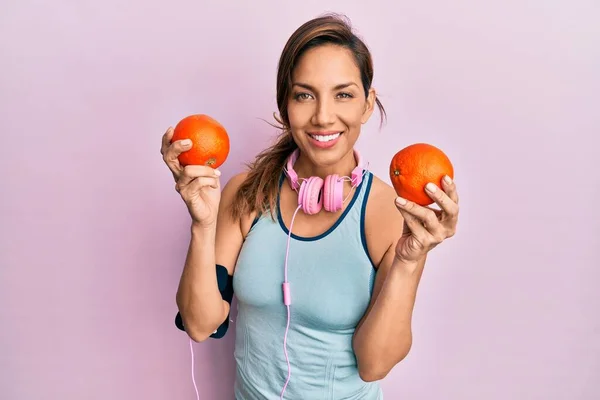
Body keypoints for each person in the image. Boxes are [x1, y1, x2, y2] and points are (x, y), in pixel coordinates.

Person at [160, 13, 459, 400]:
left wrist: (409, 259)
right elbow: (200, 325)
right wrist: (202, 223)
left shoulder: (391, 212)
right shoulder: (246, 193)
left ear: (368, 104)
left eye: (344, 94)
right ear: (285, 105)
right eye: (304, 95)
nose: (322, 116)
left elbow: (374, 364)